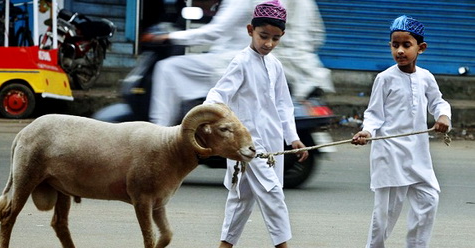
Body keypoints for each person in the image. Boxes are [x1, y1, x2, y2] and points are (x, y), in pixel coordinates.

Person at [204, 1, 308, 247]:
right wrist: (211, 122)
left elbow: (284, 105)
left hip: (272, 143)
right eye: (263, 36)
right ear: (250, 30)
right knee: (273, 194)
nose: (269, 43)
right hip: (247, 144)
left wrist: (293, 137)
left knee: (241, 199)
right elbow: (217, 96)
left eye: (275, 38)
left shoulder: (275, 65)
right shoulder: (241, 62)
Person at [146, 0, 334, 126]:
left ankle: (158, 136)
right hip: (296, 66)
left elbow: (215, 31)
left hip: (235, 61)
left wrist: (169, 36)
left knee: (168, 68)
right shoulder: (306, 3)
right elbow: (317, 35)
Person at [351, 15, 451, 248]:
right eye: (395, 45)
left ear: (421, 48)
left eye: (407, 45)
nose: (400, 51)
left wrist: (443, 116)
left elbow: (438, 102)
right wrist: (367, 132)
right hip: (389, 153)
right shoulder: (384, 78)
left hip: (418, 154)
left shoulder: (426, 77)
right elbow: (374, 113)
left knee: (429, 199)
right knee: (385, 214)